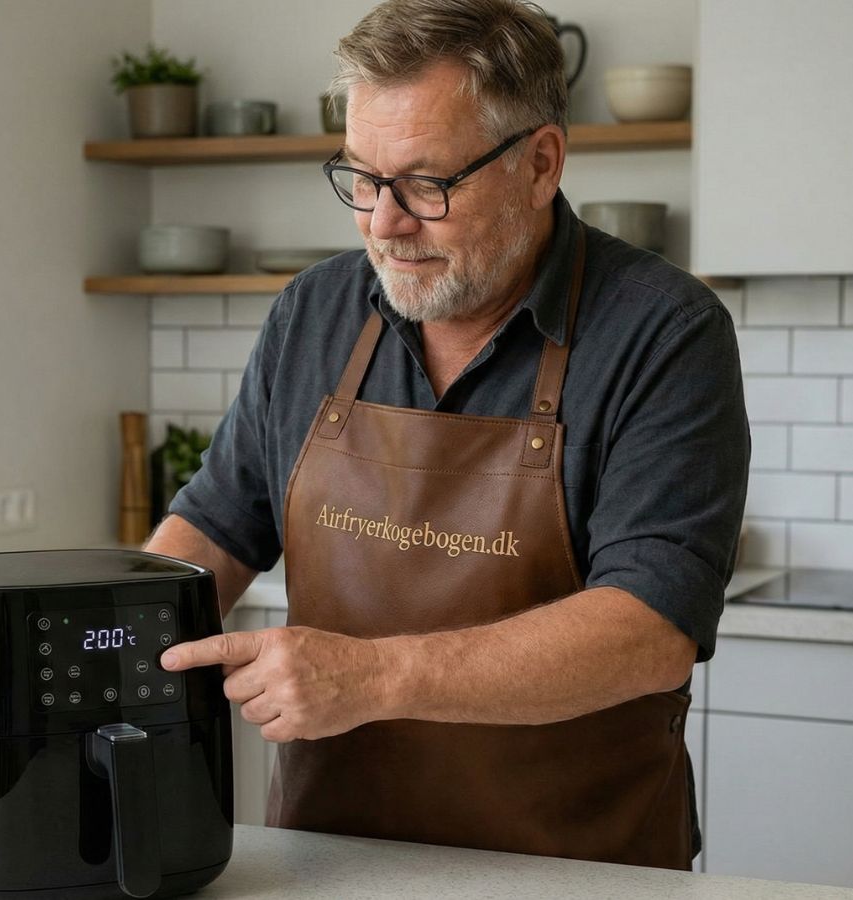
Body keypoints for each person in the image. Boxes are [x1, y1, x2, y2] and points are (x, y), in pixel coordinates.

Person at [147, 0, 749, 871]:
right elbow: (215, 527)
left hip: (578, 869)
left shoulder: (664, 331)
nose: (383, 224)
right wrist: (104, 646)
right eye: (361, 177)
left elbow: (650, 629)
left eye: (428, 184)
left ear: (541, 163)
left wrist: (374, 679)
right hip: (329, 857)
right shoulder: (311, 312)